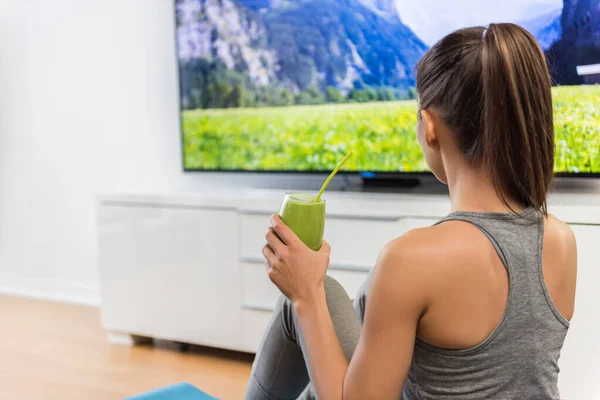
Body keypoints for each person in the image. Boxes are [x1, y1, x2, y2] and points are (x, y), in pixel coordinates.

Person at [244, 23, 578, 400]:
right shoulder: (562, 240)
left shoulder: (411, 260)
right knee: (336, 297)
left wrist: (305, 293)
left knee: (302, 304)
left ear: (430, 125)